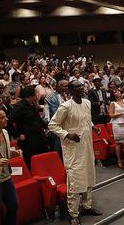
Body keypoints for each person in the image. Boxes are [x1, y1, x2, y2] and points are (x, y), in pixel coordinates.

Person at [48, 80, 102, 225]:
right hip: (73, 149)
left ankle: (87, 206)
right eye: (77, 87)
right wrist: (67, 134)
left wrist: (93, 127)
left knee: (89, 176)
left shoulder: (87, 103)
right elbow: (52, 125)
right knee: (75, 180)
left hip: (87, 146)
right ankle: (73, 214)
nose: (81, 88)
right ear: (70, 91)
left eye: (81, 86)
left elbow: (86, 120)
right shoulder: (65, 106)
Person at [8, 85, 49, 169]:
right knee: (31, 162)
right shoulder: (19, 106)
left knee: (42, 159)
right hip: (28, 139)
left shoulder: (31, 104)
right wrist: (18, 135)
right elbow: (9, 121)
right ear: (31, 95)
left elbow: (38, 118)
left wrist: (47, 127)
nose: (37, 95)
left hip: (38, 137)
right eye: (35, 93)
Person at [108, 88, 124, 169]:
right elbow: (110, 115)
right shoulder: (112, 103)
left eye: (118, 91)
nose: (118, 92)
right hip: (117, 124)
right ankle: (119, 160)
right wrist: (121, 113)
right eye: (116, 91)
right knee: (118, 143)